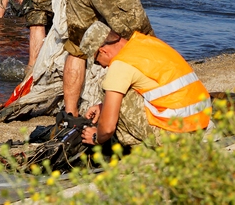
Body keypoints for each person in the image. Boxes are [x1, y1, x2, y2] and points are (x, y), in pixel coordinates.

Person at [78, 22, 211, 147]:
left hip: (178, 135)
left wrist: (96, 137)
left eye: (97, 61)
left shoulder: (121, 64)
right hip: (201, 121)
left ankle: (141, 148)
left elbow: (107, 129)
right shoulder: (145, 42)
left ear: (103, 51)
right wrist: (104, 106)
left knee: (111, 90)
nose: (101, 66)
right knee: (119, 92)